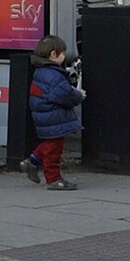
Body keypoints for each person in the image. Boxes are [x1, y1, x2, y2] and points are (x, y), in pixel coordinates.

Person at [22, 34, 84, 191]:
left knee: (50, 143)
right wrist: (79, 95)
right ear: (53, 55)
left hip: (45, 114)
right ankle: (54, 179)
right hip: (54, 116)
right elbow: (65, 95)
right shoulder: (54, 75)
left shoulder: (41, 71)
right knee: (54, 150)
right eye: (62, 53)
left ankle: (32, 161)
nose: (64, 56)